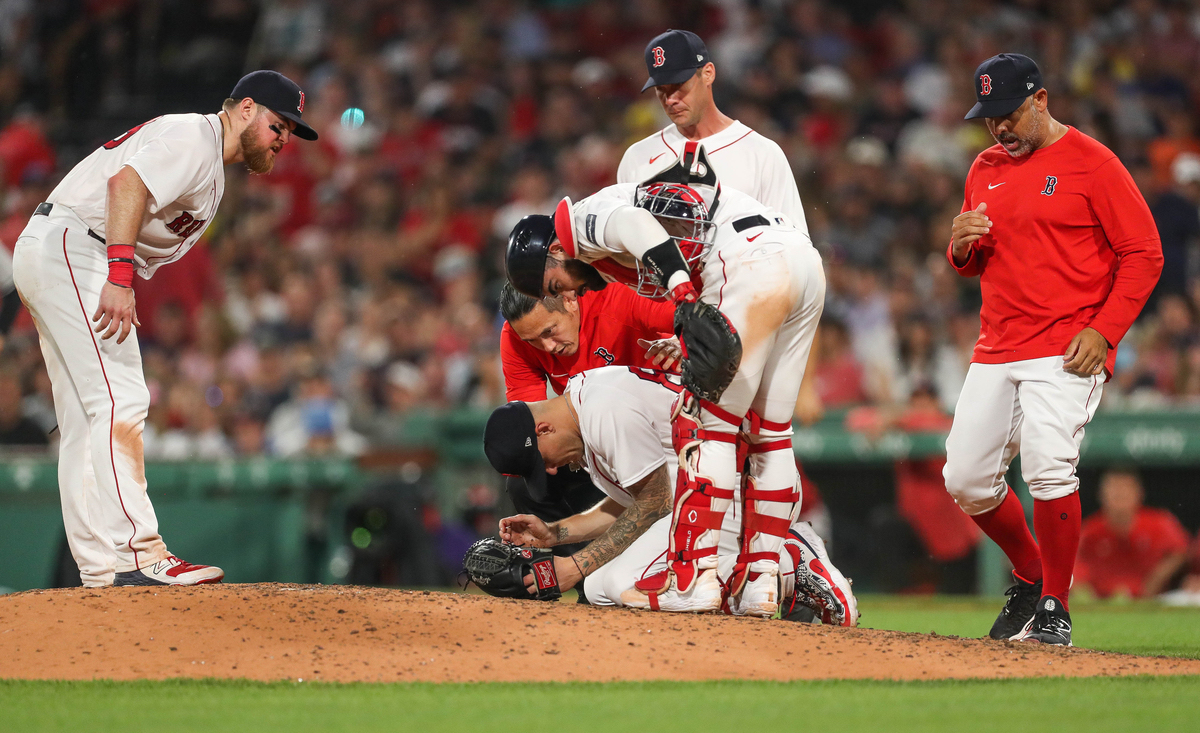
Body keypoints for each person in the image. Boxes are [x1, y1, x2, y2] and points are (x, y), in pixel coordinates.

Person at [11, 70, 318, 587]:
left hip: (61, 247)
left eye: (290, 131)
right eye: (277, 124)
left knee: (88, 420)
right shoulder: (195, 137)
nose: (283, 138)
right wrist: (120, 274)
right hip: (76, 244)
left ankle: (100, 569)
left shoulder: (212, 165)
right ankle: (138, 556)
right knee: (122, 400)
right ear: (244, 109)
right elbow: (125, 183)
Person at [506, 144, 825, 617]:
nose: (568, 295)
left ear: (555, 252)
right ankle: (761, 581)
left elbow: (635, 227)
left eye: (555, 286)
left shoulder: (578, 227)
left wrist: (684, 296)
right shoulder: (605, 268)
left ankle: (706, 577)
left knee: (703, 426)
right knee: (770, 431)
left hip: (748, 265)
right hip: (800, 260)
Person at [944, 54, 1162, 645]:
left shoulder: (1094, 164)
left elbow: (1144, 252)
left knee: (1047, 466)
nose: (999, 128)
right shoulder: (984, 166)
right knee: (965, 478)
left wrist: (1106, 329)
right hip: (997, 344)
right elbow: (977, 260)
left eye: (1009, 113)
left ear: (1040, 100)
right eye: (989, 118)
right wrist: (960, 249)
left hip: (1066, 347)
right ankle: (1033, 570)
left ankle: (1054, 608)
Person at [483, 365, 856, 625]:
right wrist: (556, 533)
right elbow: (634, 501)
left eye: (541, 460)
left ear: (543, 428)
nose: (549, 470)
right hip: (710, 498)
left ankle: (789, 562)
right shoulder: (585, 401)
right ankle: (773, 575)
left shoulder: (602, 409)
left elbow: (655, 502)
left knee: (617, 583)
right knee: (598, 589)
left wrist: (574, 565)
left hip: (741, 494)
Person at [498, 282, 675, 554]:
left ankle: (618, 559)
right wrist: (549, 451)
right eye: (532, 340)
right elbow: (527, 418)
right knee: (525, 482)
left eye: (549, 331)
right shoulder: (515, 336)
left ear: (569, 301)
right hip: (592, 445)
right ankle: (588, 574)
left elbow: (692, 319)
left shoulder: (615, 300)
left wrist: (682, 340)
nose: (546, 346)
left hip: (662, 438)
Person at [617, 29, 805, 227]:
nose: (670, 99)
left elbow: (793, 244)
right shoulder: (637, 157)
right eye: (661, 89)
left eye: (679, 86)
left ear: (708, 74)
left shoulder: (762, 153)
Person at [1076, 469, 1190, 599]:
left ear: (1139, 493)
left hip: (1152, 600)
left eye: (1125, 489)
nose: (1119, 493)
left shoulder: (1159, 522)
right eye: (1114, 489)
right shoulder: (1090, 529)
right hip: (1104, 602)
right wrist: (1084, 587)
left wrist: (1156, 579)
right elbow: (1074, 562)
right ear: (1101, 495)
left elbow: (1181, 551)